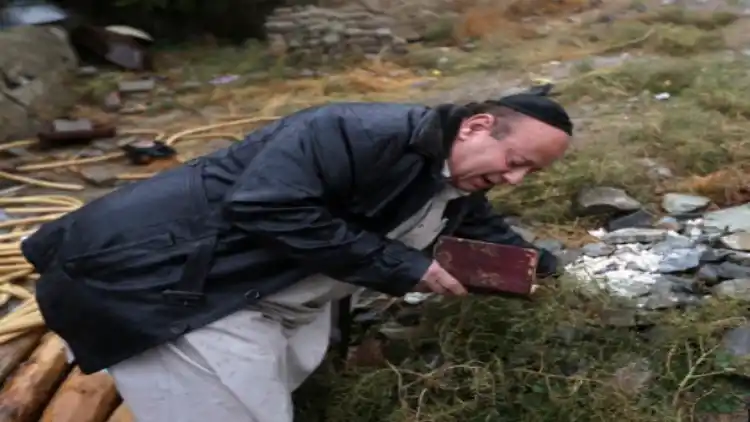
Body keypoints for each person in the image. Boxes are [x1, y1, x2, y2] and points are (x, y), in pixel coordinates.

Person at [22, 92, 573, 422]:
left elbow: (478, 224)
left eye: (530, 173)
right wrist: (405, 267)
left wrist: (546, 268)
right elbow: (268, 207)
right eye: (514, 160)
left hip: (253, 295)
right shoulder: (353, 131)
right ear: (476, 126)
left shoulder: (454, 174)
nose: (515, 179)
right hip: (166, 289)